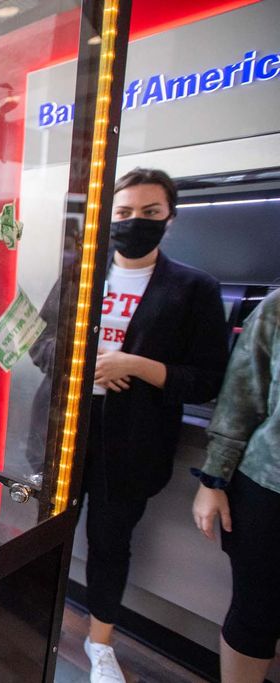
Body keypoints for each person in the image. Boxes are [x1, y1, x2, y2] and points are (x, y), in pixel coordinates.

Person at [79, 168, 229, 682]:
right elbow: (40, 344)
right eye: (123, 212)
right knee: (45, 528)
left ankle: (100, 646)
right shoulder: (83, 271)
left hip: (134, 442)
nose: (134, 222)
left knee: (110, 542)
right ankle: (35, 609)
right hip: (67, 434)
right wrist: (87, 361)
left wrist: (136, 365)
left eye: (149, 212)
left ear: (169, 218)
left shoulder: (193, 288)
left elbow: (208, 378)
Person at [192, 288, 280, 683]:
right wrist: (213, 479)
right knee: (255, 611)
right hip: (268, 483)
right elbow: (241, 398)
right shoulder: (276, 308)